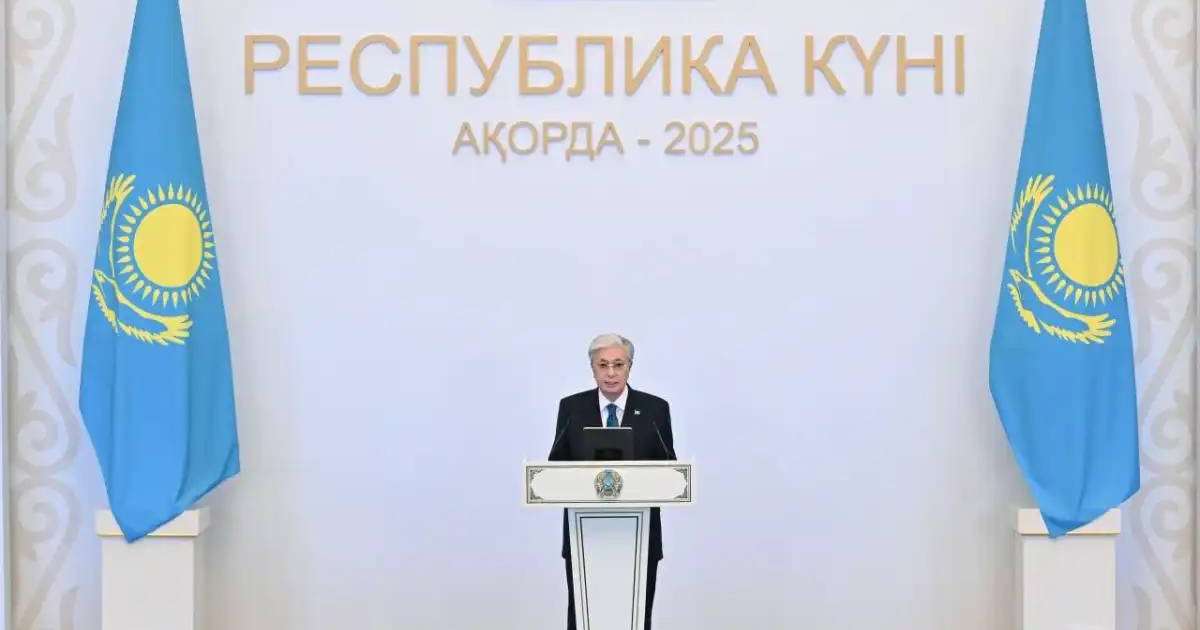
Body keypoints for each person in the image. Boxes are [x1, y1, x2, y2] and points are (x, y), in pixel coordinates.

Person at [548, 333, 676, 630]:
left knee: (636, 617)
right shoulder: (572, 408)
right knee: (582, 617)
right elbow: (556, 465)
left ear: (629, 367)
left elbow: (669, 469)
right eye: (602, 365)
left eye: (618, 364)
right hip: (585, 535)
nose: (610, 373)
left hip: (639, 536)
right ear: (592, 368)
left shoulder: (656, 409)